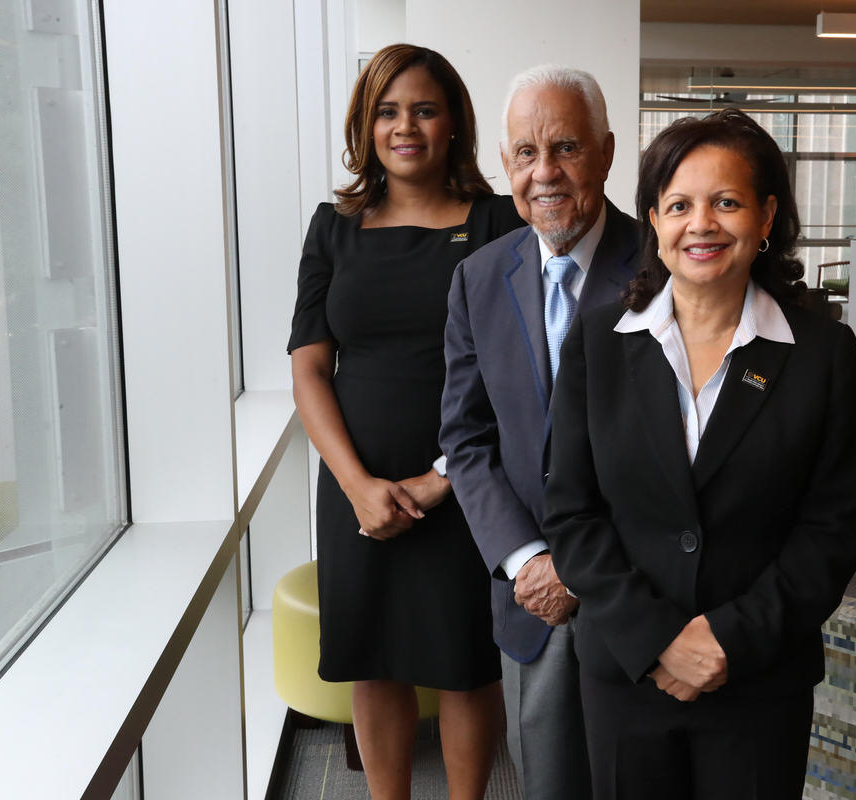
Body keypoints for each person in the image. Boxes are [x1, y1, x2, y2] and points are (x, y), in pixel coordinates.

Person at [542, 108, 856, 800]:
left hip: (758, 678)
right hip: (628, 672)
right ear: (653, 221)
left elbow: (831, 531)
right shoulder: (598, 342)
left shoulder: (822, 354)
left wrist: (727, 640)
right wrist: (660, 640)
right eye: (679, 206)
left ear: (766, 215)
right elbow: (572, 514)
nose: (702, 225)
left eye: (727, 203)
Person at [287, 44, 523, 800]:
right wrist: (358, 486)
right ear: (366, 125)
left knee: (465, 663)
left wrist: (440, 481)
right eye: (387, 111)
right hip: (356, 485)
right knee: (374, 660)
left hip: (468, 481)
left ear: (453, 123)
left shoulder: (499, 223)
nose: (405, 127)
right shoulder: (332, 228)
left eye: (424, 109)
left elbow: (517, 371)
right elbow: (308, 369)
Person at [439, 65, 638, 800]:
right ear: (505, 163)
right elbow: (466, 439)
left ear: (607, 152)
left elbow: (689, 448)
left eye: (566, 148)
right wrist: (526, 560)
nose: (544, 171)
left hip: (639, 595)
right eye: (526, 152)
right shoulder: (479, 278)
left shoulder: (666, 266)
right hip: (529, 600)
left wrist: (580, 567)